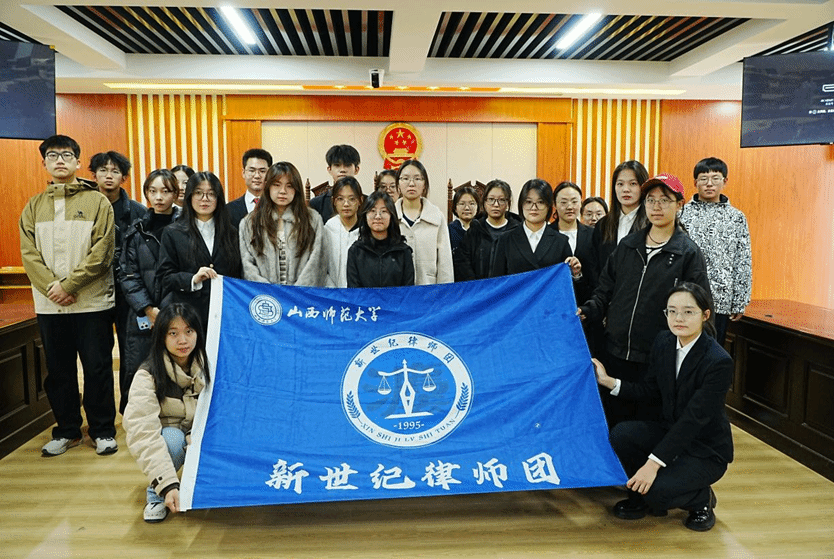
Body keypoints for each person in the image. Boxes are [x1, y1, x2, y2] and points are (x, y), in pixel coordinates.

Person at [592, 282, 733, 532]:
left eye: (688, 312)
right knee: (621, 434)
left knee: (657, 493)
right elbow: (650, 391)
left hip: (704, 448)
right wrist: (608, 381)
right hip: (669, 432)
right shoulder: (664, 341)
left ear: (705, 315)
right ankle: (641, 494)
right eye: (672, 311)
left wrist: (652, 465)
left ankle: (701, 499)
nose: (679, 318)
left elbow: (692, 421)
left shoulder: (718, 361)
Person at [579, 174, 710, 427]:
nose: (656, 206)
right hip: (615, 351)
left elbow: (700, 309)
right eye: (651, 200)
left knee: (646, 427)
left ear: (679, 205)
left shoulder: (688, 253)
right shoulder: (628, 246)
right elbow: (604, 291)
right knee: (613, 424)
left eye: (665, 200)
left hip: (657, 357)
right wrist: (588, 310)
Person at [19, 135, 118, 457]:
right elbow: (29, 254)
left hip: (91, 303)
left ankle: (102, 430)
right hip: (50, 305)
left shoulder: (98, 202)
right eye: (52, 155)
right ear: (44, 163)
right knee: (59, 371)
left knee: (97, 368)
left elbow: (102, 252)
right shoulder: (33, 206)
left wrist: (70, 286)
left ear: (77, 161)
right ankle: (67, 430)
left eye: (66, 155)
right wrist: (54, 288)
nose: (59, 160)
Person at [123, 303, 209, 524]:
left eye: (189, 331)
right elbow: (143, 433)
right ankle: (157, 493)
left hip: (200, 436)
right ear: (161, 336)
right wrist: (168, 484)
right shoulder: (147, 374)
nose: (183, 340)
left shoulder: (210, 365)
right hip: (171, 439)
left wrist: (196, 434)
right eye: (173, 333)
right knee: (172, 439)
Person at [118, 169, 180, 413]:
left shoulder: (186, 226)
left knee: (178, 369)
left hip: (177, 312)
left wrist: (167, 310)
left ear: (175, 193)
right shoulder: (136, 230)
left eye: (165, 191)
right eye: (153, 191)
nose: (159, 197)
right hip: (143, 314)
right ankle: (139, 420)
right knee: (139, 369)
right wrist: (148, 308)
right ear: (146, 193)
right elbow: (128, 274)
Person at [89, 151, 146, 417]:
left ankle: (129, 410)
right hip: (93, 290)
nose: (108, 176)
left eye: (115, 171)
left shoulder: (138, 211)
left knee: (131, 352)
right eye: (103, 170)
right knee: (97, 356)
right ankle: (102, 418)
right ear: (94, 175)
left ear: (124, 177)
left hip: (128, 293)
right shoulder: (86, 208)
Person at [680, 157, 752, 345]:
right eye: (703, 179)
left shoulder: (736, 217)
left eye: (715, 178)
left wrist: (740, 301)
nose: (709, 184)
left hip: (720, 298)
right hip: (686, 295)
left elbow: (743, 259)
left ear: (725, 181)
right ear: (695, 183)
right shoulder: (682, 214)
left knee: (712, 349)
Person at [156, 172, 242, 330]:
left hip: (225, 314)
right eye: (198, 193)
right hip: (188, 316)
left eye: (211, 194)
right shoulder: (173, 232)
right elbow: (165, 277)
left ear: (218, 198)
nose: (205, 199)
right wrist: (192, 279)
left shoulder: (232, 233)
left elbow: (238, 274)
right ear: (189, 197)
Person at [240, 162, 326, 286]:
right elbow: (247, 265)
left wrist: (296, 292)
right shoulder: (250, 222)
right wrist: (270, 291)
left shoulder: (312, 219)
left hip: (302, 294)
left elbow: (317, 260)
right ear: (268, 186)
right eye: (277, 185)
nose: (283, 191)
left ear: (296, 189)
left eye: (289, 186)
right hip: (264, 294)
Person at [490, 178, 582, 279]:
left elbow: (566, 282)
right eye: (528, 202)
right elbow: (496, 281)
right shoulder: (505, 239)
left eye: (540, 202)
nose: (534, 208)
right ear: (521, 204)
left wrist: (576, 274)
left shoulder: (561, 241)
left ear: (549, 206)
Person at [394, 159, 453, 285]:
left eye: (417, 178)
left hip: (429, 289)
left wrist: (444, 291)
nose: (411, 183)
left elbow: (445, 263)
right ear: (398, 184)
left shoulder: (436, 217)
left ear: (425, 184)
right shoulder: (391, 216)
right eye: (405, 178)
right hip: (398, 290)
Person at [453, 179, 520, 282]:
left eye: (501, 200)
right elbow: (463, 264)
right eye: (491, 199)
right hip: (478, 288)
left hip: (508, 289)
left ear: (508, 203)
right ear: (484, 202)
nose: (496, 204)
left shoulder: (517, 231)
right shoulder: (475, 230)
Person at [347, 190, 415, 288]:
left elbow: (408, 291)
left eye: (384, 211)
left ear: (391, 215)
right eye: (372, 211)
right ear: (365, 215)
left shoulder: (403, 252)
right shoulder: (356, 251)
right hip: (364, 299)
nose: (378, 216)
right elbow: (353, 291)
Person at [592, 161, 649, 271]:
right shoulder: (602, 225)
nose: (625, 189)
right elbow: (596, 266)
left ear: (643, 187)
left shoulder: (651, 224)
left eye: (633, 184)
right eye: (620, 184)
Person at [550, 181, 597, 301]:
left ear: (581, 203)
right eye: (564, 202)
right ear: (554, 204)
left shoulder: (593, 235)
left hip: (586, 300)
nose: (569, 207)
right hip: (554, 300)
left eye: (574, 201)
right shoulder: (546, 234)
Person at [324, 176, 363, 287]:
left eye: (352, 199)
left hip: (360, 293)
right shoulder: (327, 229)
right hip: (332, 292)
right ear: (334, 201)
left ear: (360, 200)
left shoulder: (366, 230)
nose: (346, 204)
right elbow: (322, 268)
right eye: (340, 199)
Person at [310, 144, 361, 223]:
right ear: (329, 169)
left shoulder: (368, 203)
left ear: (356, 170)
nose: (342, 170)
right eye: (337, 165)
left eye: (347, 165)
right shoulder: (316, 204)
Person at [227, 148, 273, 227]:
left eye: (262, 171)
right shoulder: (228, 210)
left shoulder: (277, 207)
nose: (257, 176)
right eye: (252, 170)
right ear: (243, 173)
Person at [449, 186, 480, 255]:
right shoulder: (448, 230)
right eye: (462, 204)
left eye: (472, 203)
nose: (467, 208)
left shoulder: (483, 229)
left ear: (477, 206)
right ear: (455, 208)